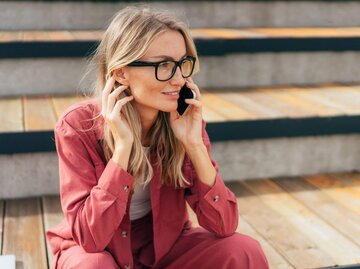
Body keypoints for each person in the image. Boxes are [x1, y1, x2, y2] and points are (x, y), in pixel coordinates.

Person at [46, 6, 269, 269]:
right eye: (164, 65)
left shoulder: (183, 121)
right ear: (120, 73)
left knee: (242, 249)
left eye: (182, 64)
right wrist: (123, 150)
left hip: (163, 247)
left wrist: (194, 145)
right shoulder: (77, 126)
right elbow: (89, 238)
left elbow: (224, 224)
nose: (178, 79)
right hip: (99, 251)